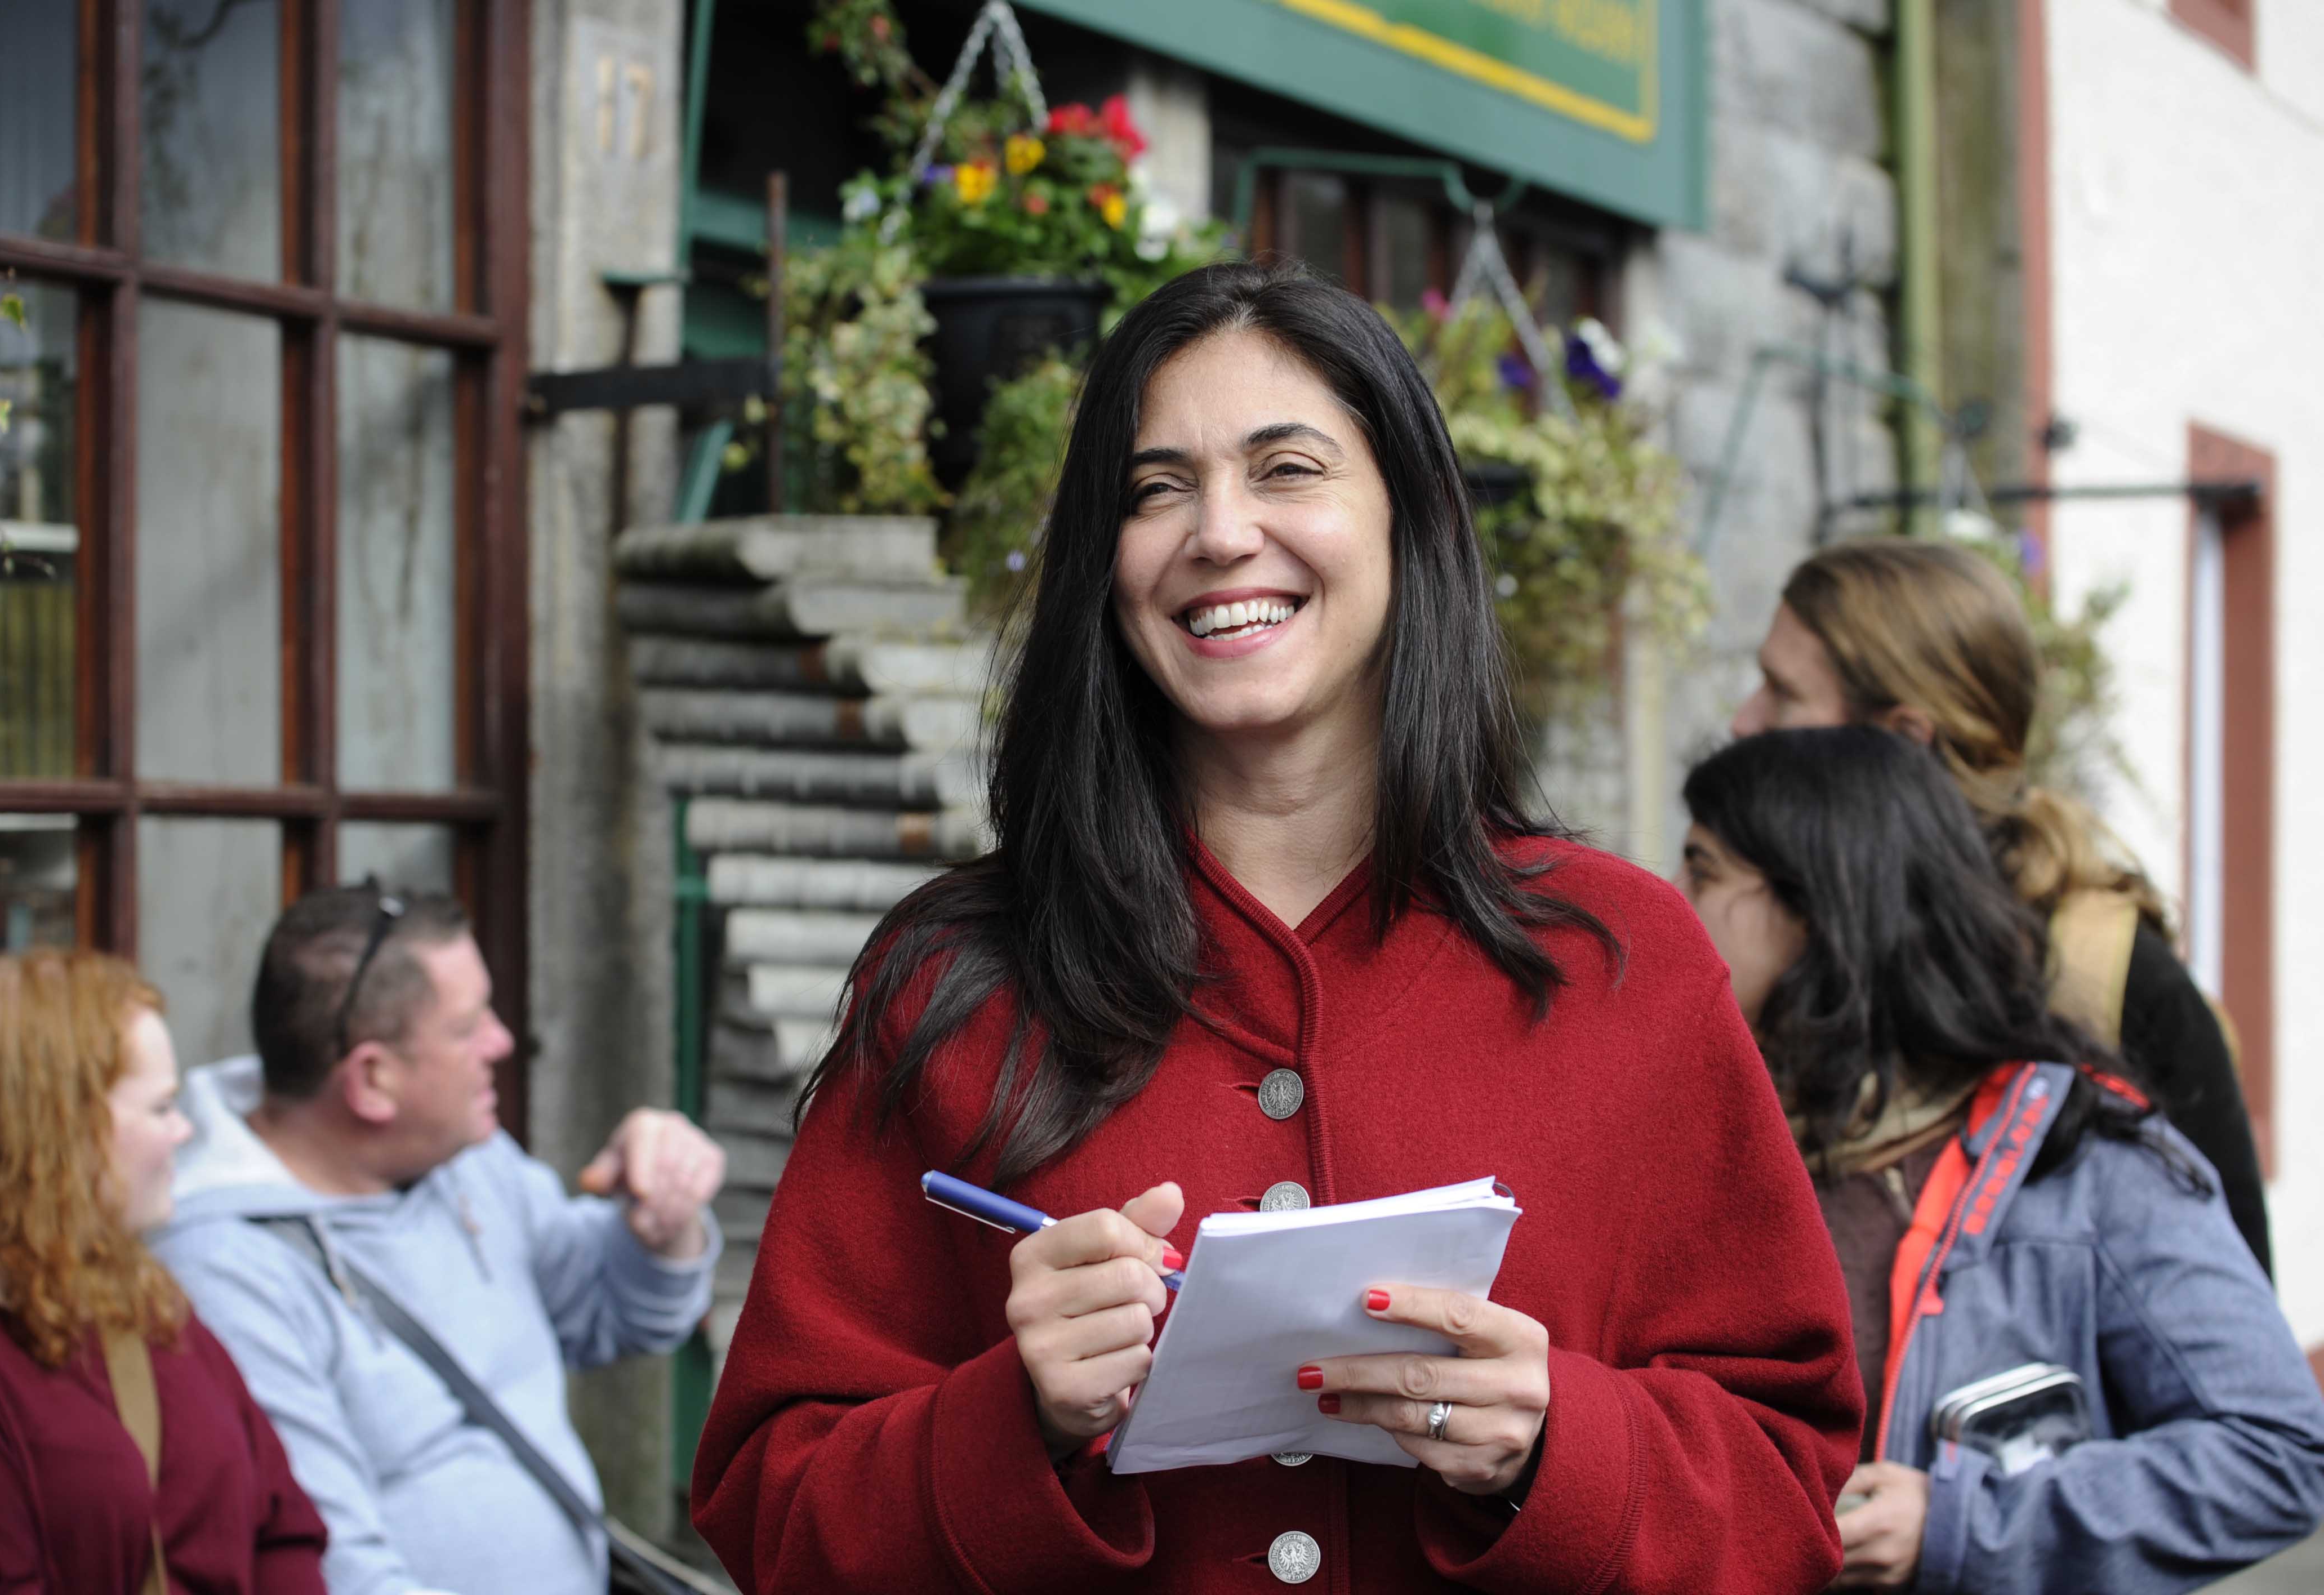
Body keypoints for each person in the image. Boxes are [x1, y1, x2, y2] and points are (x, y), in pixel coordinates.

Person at [693, 261, 1863, 1593]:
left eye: (1288, 468)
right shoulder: (956, 981)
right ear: (1104, 560)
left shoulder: (1621, 959)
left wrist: (1557, 1445)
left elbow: (1793, 1480)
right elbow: (773, 1518)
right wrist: (1009, 1419)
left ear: (1410, 519)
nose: (1219, 531)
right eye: (1155, 488)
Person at [1676, 726, 2324, 1593]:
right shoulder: (1694, 1151)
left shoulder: (2088, 1162)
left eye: (1702, 869)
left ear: (1817, 907)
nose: (1670, 898)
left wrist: (1961, 1525)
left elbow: (2277, 1454)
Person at [149, 886, 728, 1595]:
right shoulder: (226, 1270)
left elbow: (619, 1317)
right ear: (372, 1080)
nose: (502, 1041)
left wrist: (664, 1224)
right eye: (467, 1026)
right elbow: (331, 1567)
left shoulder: (466, 1159)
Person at [1729, 536, 2272, 1274]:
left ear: (1904, 741)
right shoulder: (1775, 929)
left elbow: (2232, 1315)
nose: (1744, 721)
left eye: (1783, 693)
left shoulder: (2115, 978)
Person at [0, 950, 328, 1594]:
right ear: (62, 1128)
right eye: (161, 1107)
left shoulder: (141, 1295)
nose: (183, 1131)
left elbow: (283, 1526)